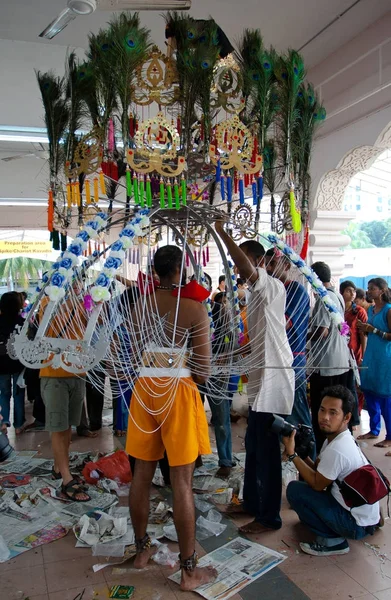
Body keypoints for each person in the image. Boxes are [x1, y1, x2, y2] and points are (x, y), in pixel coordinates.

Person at [126, 245, 217, 590]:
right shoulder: (194, 308)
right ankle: (189, 571)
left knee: (141, 476)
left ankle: (140, 550)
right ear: (179, 271)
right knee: (181, 482)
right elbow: (205, 372)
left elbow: (134, 354)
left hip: (144, 390)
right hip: (177, 392)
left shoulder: (140, 306)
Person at [215, 223, 294, 534]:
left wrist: (224, 234)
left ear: (258, 262)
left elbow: (248, 270)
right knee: (253, 446)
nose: (238, 270)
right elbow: (255, 341)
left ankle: (269, 517)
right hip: (262, 380)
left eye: (242, 263)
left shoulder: (271, 286)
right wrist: (226, 357)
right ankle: (250, 503)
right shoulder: (256, 296)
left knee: (267, 454)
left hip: (275, 384)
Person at [285, 385, 381, 556]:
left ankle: (334, 542)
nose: (324, 418)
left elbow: (317, 484)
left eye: (333, 412)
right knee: (305, 491)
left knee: (295, 490)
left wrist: (292, 455)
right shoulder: (337, 438)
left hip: (355, 525)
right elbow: (319, 470)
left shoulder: (338, 449)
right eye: (322, 410)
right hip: (364, 517)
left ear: (347, 417)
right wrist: (302, 455)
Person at [39, 279, 90, 501]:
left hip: (77, 371)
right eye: (73, 282)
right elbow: (51, 328)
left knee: (68, 425)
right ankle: (66, 478)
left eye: (80, 282)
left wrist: (90, 304)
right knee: (58, 426)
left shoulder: (84, 303)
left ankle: (60, 467)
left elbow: (89, 328)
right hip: (54, 372)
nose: (78, 287)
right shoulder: (47, 302)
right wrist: (71, 303)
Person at [265, 249, 315, 457]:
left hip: (292, 359)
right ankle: (293, 453)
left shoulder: (294, 290)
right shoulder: (277, 290)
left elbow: (282, 324)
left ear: (286, 265)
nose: (268, 269)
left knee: (298, 410)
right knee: (283, 411)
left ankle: (310, 457)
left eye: (271, 264)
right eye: (265, 265)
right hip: (279, 359)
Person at [308, 261, 350, 452]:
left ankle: (324, 452)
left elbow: (322, 331)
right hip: (339, 361)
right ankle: (335, 446)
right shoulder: (338, 296)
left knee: (323, 411)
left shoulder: (325, 298)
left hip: (327, 365)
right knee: (337, 411)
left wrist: (301, 337)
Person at [357, 277, 391, 453]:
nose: (369, 291)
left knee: (385, 396)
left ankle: (390, 437)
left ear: (382, 291)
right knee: (369, 392)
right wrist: (364, 328)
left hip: (384, 358)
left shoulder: (388, 310)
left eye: (372, 289)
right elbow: (370, 332)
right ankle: (374, 430)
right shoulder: (371, 309)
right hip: (371, 354)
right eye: (368, 288)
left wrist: (374, 330)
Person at [340, 280, 367, 415]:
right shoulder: (337, 309)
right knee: (344, 384)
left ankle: (356, 414)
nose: (352, 293)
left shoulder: (359, 311)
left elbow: (363, 335)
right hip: (340, 353)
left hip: (354, 353)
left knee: (355, 385)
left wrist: (363, 354)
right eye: (348, 290)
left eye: (354, 291)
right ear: (341, 292)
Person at [0, 292, 26, 434]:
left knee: (3, 393)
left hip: (1, 364)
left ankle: (3, 421)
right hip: (17, 362)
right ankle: (18, 425)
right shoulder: (21, 322)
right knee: (18, 393)